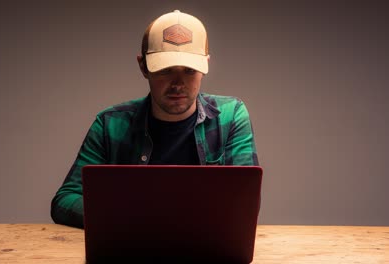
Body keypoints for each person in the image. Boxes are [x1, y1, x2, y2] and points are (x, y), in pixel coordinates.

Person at [51, 10, 259, 228]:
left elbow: (246, 203)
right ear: (143, 67)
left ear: (205, 66)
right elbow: (65, 200)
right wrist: (129, 221)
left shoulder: (231, 115)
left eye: (189, 71)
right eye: (165, 70)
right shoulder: (109, 124)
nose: (178, 83)